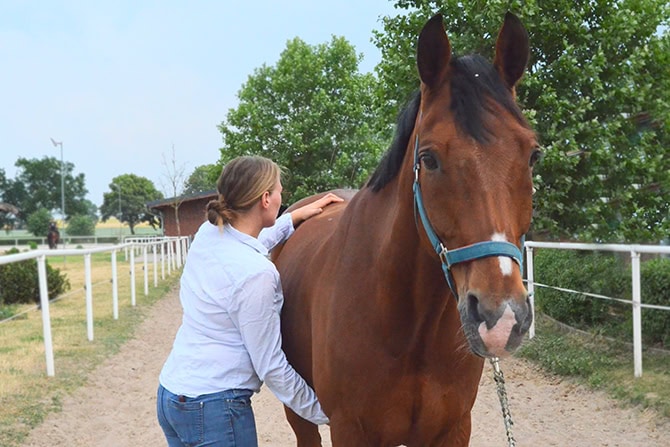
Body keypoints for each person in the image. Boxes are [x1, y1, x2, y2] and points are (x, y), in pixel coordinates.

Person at [157, 155, 343, 447]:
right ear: (265, 198)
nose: (283, 197)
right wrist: (326, 413)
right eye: (280, 190)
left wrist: (293, 218)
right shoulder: (258, 275)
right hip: (215, 410)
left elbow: (251, 243)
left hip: (171, 396)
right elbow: (271, 365)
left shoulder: (207, 234)